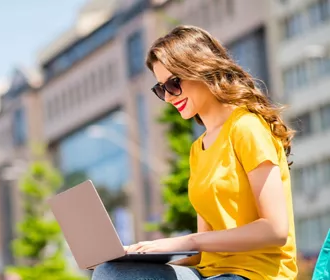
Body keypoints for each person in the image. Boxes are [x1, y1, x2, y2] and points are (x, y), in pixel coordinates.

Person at [92, 25, 297, 280]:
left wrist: (185, 241)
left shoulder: (247, 127)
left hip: (256, 275)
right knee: (113, 271)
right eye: (160, 88)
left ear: (202, 69)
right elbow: (204, 252)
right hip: (210, 274)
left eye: (174, 83)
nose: (168, 97)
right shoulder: (198, 149)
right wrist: (142, 253)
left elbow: (276, 230)